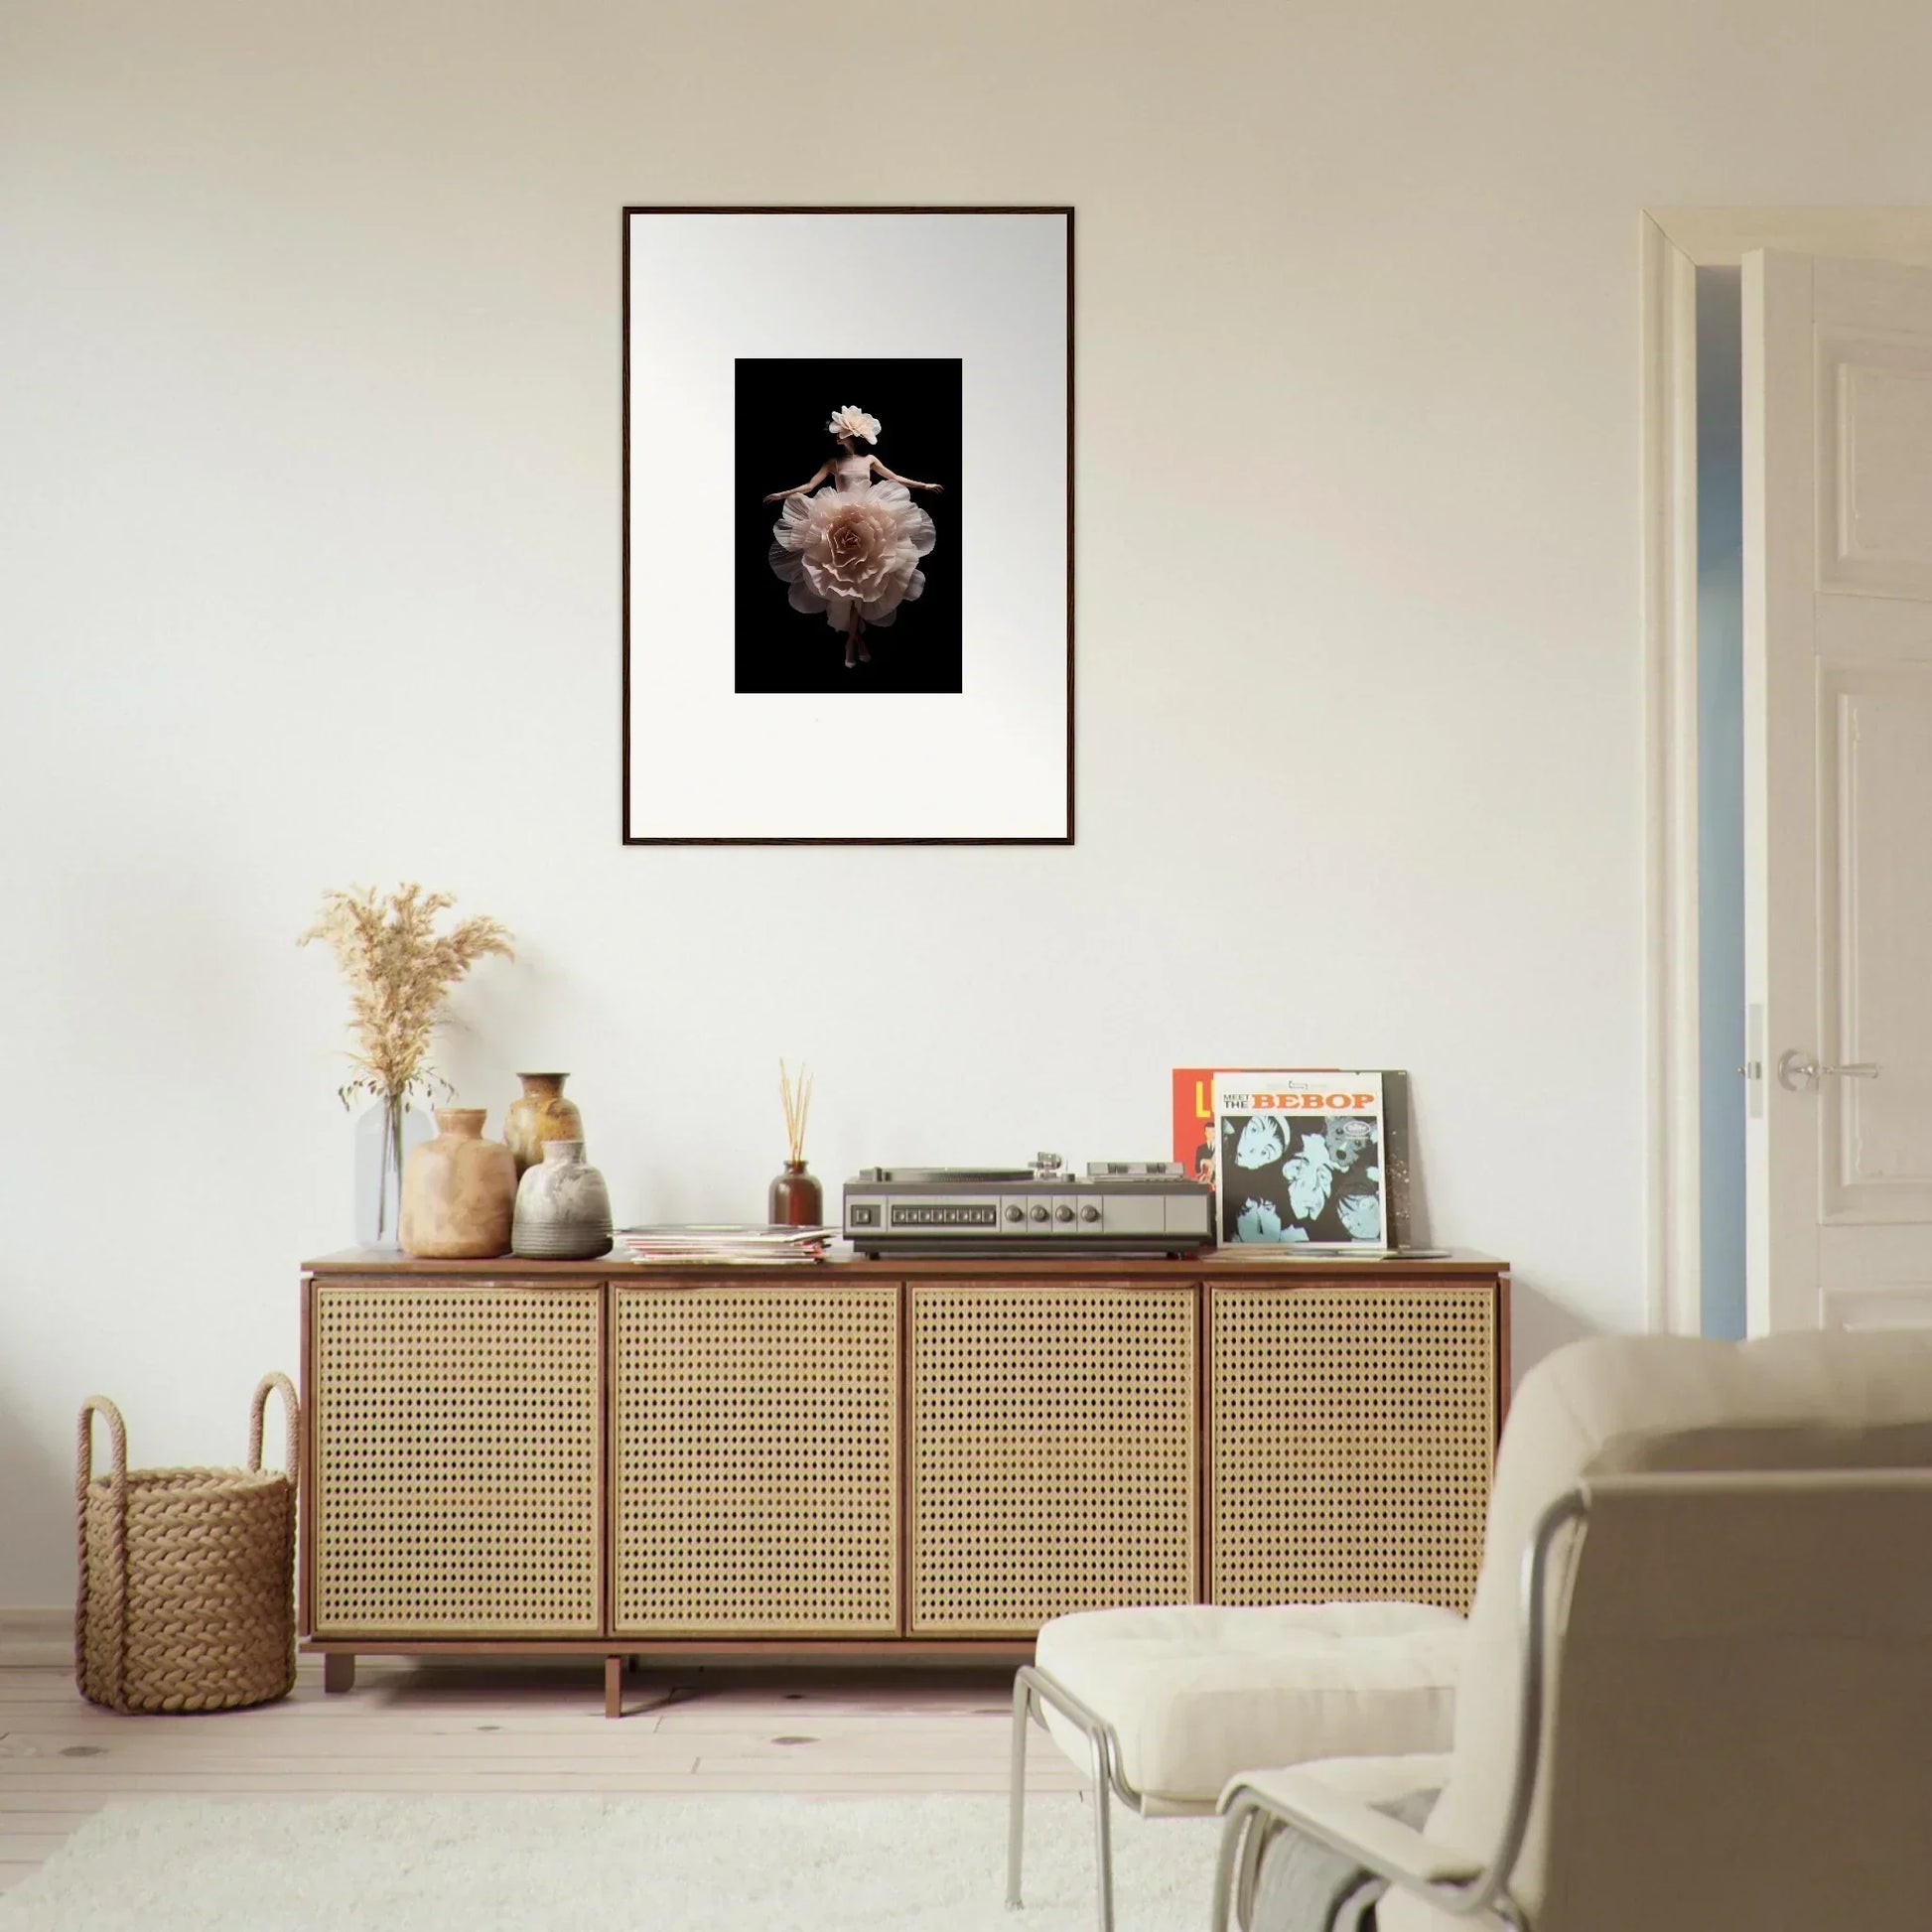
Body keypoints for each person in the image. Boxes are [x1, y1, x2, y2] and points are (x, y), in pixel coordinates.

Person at [762, 405, 944, 668]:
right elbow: (811, 486)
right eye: (837, 434)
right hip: (835, 515)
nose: (837, 438)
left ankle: (852, 643)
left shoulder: (869, 460)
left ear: (851, 436)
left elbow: (894, 477)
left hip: (872, 514)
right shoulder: (833, 463)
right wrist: (782, 494)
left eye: (841, 433)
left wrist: (924, 485)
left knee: (866, 587)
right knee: (845, 590)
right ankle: (853, 641)